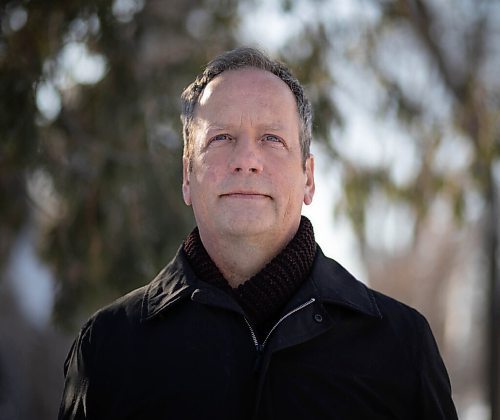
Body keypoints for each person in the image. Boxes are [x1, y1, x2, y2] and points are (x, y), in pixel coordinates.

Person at [58, 47, 458, 419]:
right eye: (221, 138)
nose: (246, 160)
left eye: (272, 139)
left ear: (309, 178)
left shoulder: (401, 347)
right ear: (186, 176)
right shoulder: (109, 348)